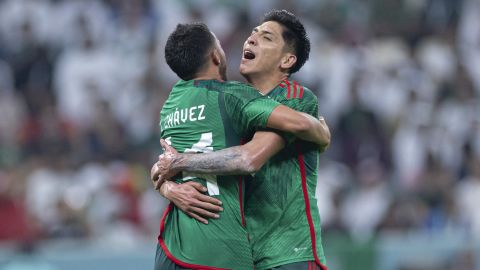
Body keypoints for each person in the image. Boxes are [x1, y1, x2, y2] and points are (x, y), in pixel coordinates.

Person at [153, 10, 329, 270]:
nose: (252, 39)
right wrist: (169, 188)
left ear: (287, 60)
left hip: (289, 254)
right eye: (253, 33)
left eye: (266, 37)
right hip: (246, 254)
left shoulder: (293, 97)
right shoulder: (234, 103)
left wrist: (179, 162)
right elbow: (164, 160)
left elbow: (248, 158)